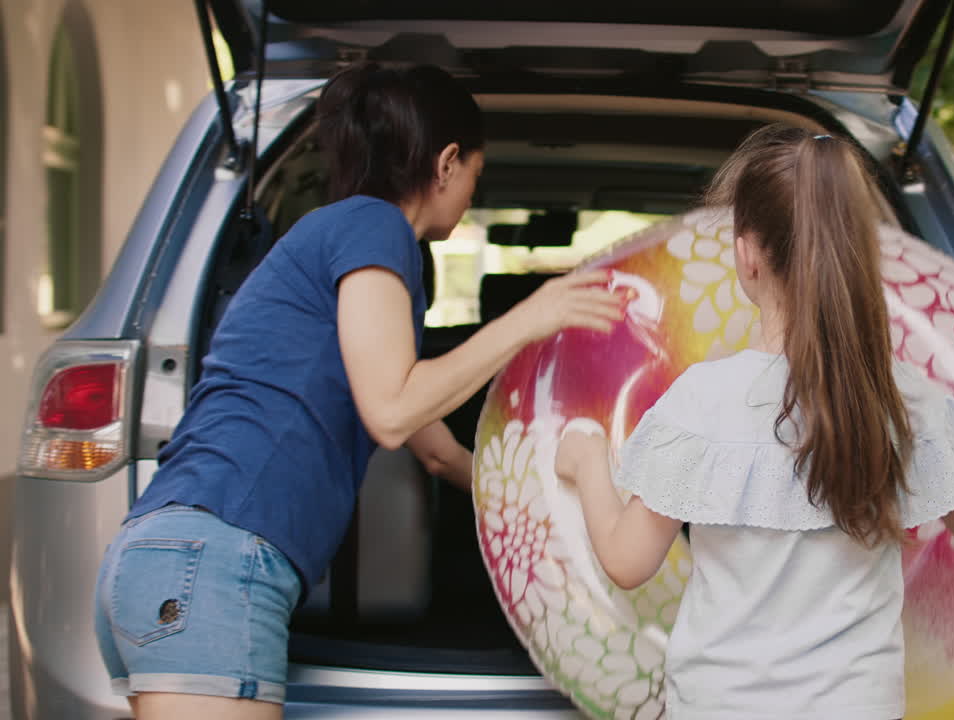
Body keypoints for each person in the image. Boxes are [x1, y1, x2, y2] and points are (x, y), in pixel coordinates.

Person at [93, 62, 624, 720]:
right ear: (447, 162)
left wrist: (559, 498)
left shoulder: (341, 241)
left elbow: (437, 453)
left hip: (172, 560)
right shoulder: (375, 228)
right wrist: (529, 318)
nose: (467, 197)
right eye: (475, 179)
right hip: (214, 564)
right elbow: (395, 413)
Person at [554, 124, 954, 719]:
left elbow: (628, 563)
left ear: (747, 252)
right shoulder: (901, 397)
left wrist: (587, 463)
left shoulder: (703, 400)